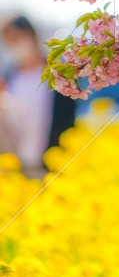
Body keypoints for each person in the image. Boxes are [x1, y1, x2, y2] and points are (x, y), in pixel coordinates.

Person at [0, 16, 75, 173]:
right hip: (16, 166)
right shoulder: (9, 77)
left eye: (17, 38)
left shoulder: (57, 72)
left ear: (31, 36)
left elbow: (67, 117)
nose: (14, 45)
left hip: (50, 164)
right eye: (9, 41)